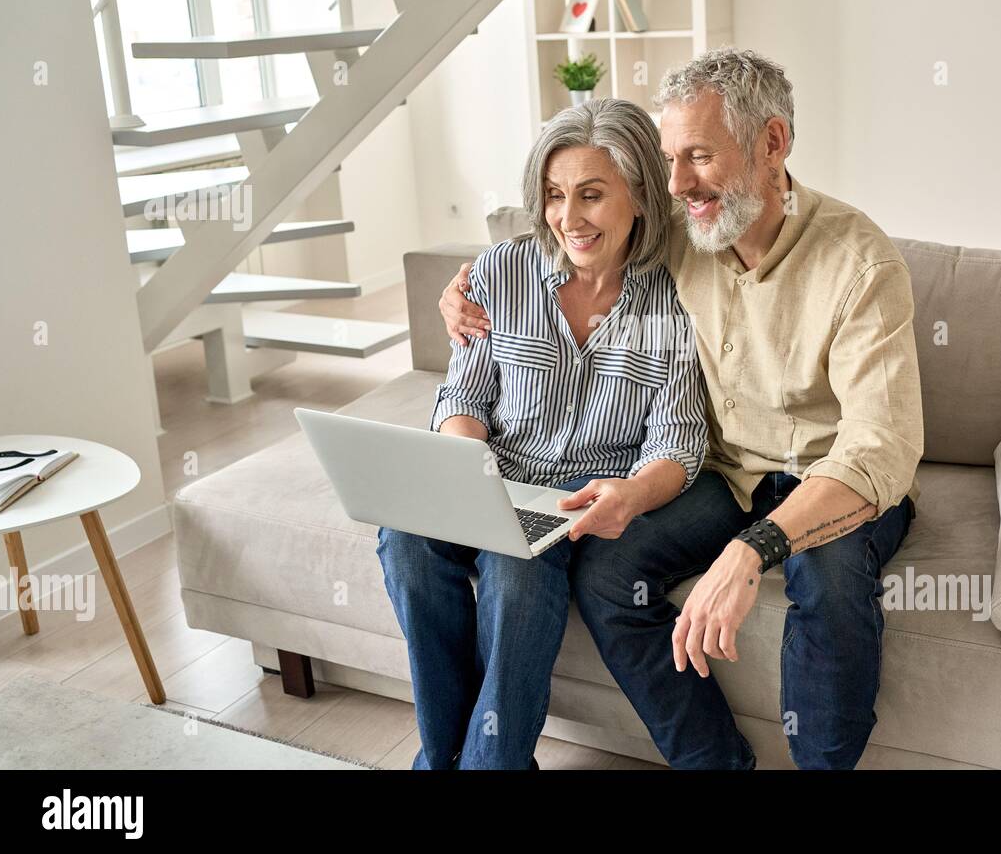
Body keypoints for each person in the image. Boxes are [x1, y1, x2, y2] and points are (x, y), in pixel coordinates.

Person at [441, 47, 924, 770]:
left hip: (833, 480)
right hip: (726, 478)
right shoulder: (681, 230)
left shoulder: (861, 263)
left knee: (825, 582)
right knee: (607, 575)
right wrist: (466, 285)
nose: (676, 184)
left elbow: (879, 448)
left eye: (697, 156)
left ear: (772, 143)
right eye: (669, 159)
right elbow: (569, 223)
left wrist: (756, 547)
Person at [378, 97, 707, 770]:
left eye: (591, 195)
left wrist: (634, 494)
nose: (568, 218)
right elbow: (464, 392)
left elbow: (678, 440)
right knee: (404, 539)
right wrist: (465, 464)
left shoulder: (675, 297)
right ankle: (444, 759)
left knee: (516, 572)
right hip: (489, 469)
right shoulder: (501, 270)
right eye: (555, 196)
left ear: (640, 195)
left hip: (574, 495)